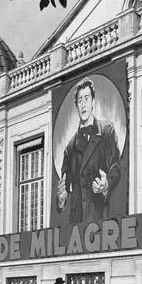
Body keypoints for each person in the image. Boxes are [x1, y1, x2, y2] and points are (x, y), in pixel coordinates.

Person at [56, 78, 121, 224]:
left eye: (86, 98)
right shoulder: (69, 148)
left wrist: (106, 184)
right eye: (79, 100)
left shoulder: (107, 130)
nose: (83, 104)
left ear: (93, 102)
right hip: (76, 224)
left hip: (100, 219)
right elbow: (64, 189)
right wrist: (61, 200)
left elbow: (115, 167)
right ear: (76, 106)